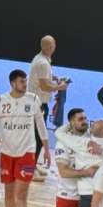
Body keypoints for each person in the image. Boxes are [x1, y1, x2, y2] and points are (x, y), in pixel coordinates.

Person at [0, 69, 50, 207]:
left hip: (27, 152)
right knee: (9, 193)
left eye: (25, 81)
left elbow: (41, 125)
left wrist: (46, 149)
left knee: (21, 194)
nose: (25, 84)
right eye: (22, 81)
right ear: (13, 83)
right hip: (7, 152)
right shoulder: (1, 101)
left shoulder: (33, 99)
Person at [29, 35, 67, 180]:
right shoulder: (43, 63)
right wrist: (60, 87)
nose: (53, 47)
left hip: (37, 103)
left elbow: (43, 79)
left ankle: (33, 164)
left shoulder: (42, 59)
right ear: (49, 47)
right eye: (51, 45)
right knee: (38, 137)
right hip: (38, 105)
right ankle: (30, 169)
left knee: (38, 136)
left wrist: (54, 79)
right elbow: (44, 86)